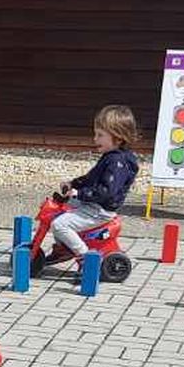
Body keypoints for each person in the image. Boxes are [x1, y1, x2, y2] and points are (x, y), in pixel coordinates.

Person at [47, 104, 141, 262]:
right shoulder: (110, 156)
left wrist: (80, 193)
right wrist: (73, 184)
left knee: (60, 224)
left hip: (100, 210)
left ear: (117, 137)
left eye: (100, 135)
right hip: (94, 204)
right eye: (95, 134)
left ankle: (85, 257)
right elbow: (91, 178)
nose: (95, 139)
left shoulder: (117, 162)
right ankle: (65, 247)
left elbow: (107, 191)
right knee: (57, 210)